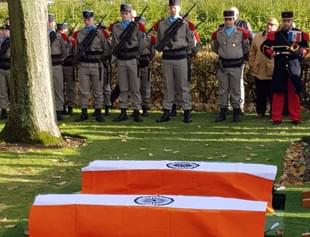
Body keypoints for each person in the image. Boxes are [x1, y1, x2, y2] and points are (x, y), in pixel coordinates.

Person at [261, 11, 309, 125]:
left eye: (289, 21)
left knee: (294, 92)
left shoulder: (299, 33)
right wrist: (269, 52)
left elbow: (306, 48)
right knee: (278, 92)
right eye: (284, 21)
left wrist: (302, 51)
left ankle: (295, 117)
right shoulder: (275, 35)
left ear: (292, 21)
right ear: (282, 21)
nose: (286, 23)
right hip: (280, 65)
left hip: (294, 64)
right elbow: (263, 47)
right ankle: (276, 117)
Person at [154, 0, 195, 123]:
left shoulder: (185, 24)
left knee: (183, 85)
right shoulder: (162, 24)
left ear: (179, 8)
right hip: (167, 57)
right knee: (168, 85)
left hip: (180, 57)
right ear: (168, 8)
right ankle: (167, 111)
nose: (173, 9)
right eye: (171, 7)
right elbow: (159, 41)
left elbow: (191, 42)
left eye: (175, 7)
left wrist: (186, 51)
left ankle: (187, 111)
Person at [211, 10, 250, 123]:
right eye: (226, 19)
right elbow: (215, 48)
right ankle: (223, 112)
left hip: (236, 65)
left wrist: (240, 57)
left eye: (230, 19)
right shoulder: (219, 33)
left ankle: (236, 113)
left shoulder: (241, 33)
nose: (228, 21)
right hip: (223, 65)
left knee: (235, 90)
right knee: (223, 90)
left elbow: (245, 48)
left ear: (234, 20)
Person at [73, 10, 111, 122]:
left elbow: (106, 49)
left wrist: (99, 58)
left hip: (96, 64)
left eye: (89, 19)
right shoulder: (80, 33)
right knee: (84, 90)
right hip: (83, 64)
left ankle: (98, 112)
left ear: (93, 19)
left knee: (98, 90)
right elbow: (76, 50)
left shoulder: (100, 33)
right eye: (85, 19)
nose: (87, 21)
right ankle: (84, 112)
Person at [111, 4, 145, 122]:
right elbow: (115, 44)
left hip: (132, 59)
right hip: (121, 59)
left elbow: (142, 43)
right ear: (121, 14)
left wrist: (136, 55)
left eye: (127, 13)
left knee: (135, 87)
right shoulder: (116, 27)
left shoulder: (136, 26)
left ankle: (136, 111)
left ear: (131, 14)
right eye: (123, 13)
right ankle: (123, 111)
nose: (125, 15)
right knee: (123, 87)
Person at [249, 17, 279, 118]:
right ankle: (260, 112)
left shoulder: (279, 37)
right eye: (268, 24)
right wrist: (252, 64)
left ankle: (273, 113)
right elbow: (252, 51)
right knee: (260, 93)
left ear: (277, 27)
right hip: (259, 69)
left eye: (272, 25)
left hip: (273, 70)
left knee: (272, 94)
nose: (269, 26)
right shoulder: (257, 36)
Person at [48, 14, 67, 121]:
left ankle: (59, 110)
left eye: (51, 21)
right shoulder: (42, 35)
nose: (50, 23)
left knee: (58, 88)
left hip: (56, 65)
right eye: (48, 21)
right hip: (46, 66)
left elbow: (64, 52)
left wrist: (59, 59)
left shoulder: (58, 36)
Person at [57, 22, 77, 116]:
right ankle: (64, 107)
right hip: (62, 65)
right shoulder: (58, 39)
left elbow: (75, 53)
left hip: (67, 65)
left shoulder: (72, 40)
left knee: (68, 88)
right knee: (63, 88)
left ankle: (68, 107)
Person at [138, 17, 156, 117]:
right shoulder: (134, 37)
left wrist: (148, 60)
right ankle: (137, 107)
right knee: (136, 87)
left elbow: (152, 52)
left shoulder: (149, 38)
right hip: (136, 63)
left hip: (145, 63)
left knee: (145, 87)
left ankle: (145, 108)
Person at [0, 22, 10, 120]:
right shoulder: (3, 42)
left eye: (6, 30)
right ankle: (4, 110)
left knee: (12, 90)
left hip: (10, 68)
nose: (4, 32)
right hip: (2, 68)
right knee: (2, 91)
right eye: (4, 30)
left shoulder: (12, 42)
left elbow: (8, 56)